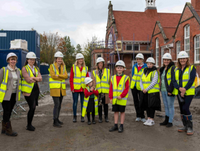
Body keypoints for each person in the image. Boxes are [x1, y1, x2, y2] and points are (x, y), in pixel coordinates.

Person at [172, 51, 196, 136]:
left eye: (184, 58)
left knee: (186, 108)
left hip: (189, 92)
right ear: (179, 59)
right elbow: (174, 81)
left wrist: (184, 89)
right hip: (179, 92)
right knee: (182, 109)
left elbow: (191, 80)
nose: (182, 60)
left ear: (187, 59)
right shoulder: (176, 69)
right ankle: (185, 126)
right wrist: (179, 89)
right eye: (181, 58)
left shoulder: (192, 68)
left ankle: (190, 126)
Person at [0, 53, 21, 136]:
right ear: (8, 60)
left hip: (14, 94)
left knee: (8, 111)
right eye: (11, 59)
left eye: (14, 59)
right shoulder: (3, 70)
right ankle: (9, 130)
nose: (13, 61)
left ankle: (4, 128)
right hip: (5, 95)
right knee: (7, 111)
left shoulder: (18, 71)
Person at [22, 52, 42, 131]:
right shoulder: (24, 68)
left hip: (36, 90)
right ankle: (28, 125)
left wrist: (33, 78)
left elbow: (40, 79)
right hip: (28, 91)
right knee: (32, 107)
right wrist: (36, 78)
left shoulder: (36, 68)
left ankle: (30, 124)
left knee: (33, 108)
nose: (32, 61)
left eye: (33, 59)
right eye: (30, 59)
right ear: (27, 60)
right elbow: (28, 80)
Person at [109, 60, 130, 133]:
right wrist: (110, 97)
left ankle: (121, 125)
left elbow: (126, 89)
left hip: (122, 99)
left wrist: (121, 95)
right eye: (118, 67)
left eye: (121, 67)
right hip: (115, 99)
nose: (119, 69)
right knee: (115, 112)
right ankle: (115, 125)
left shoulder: (126, 78)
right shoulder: (113, 77)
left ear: (123, 68)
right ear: (116, 68)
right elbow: (111, 88)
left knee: (122, 112)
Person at [140, 57, 161, 126]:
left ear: (153, 64)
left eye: (151, 64)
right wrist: (142, 88)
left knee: (152, 106)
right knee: (147, 106)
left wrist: (146, 89)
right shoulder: (144, 71)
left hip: (153, 92)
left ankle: (151, 120)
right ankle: (148, 119)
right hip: (146, 92)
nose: (149, 65)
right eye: (148, 64)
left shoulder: (155, 72)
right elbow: (141, 81)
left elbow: (154, 82)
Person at [49, 51, 68, 128]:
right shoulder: (52, 66)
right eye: (58, 59)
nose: (60, 60)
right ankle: (54, 121)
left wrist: (59, 75)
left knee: (59, 105)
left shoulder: (63, 66)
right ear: (56, 59)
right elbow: (53, 76)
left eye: (61, 59)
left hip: (61, 89)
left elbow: (66, 76)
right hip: (55, 89)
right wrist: (61, 76)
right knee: (56, 104)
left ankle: (57, 119)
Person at [70, 53, 89, 123]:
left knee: (83, 103)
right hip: (75, 89)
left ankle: (82, 116)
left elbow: (87, 79)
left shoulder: (85, 68)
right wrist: (72, 88)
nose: (80, 60)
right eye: (79, 59)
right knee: (75, 103)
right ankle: (74, 117)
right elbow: (71, 79)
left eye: (81, 59)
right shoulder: (73, 67)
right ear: (77, 60)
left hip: (83, 89)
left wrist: (87, 88)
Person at [159, 53, 176, 127]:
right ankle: (166, 119)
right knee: (165, 105)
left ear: (170, 60)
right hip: (163, 90)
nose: (166, 61)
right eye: (165, 60)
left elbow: (173, 80)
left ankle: (170, 121)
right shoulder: (163, 69)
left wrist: (170, 90)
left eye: (167, 60)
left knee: (170, 105)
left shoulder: (172, 68)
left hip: (169, 90)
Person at [92, 57, 110, 123]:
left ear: (103, 63)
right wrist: (93, 88)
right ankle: (100, 118)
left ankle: (106, 117)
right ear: (97, 64)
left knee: (106, 105)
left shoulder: (107, 71)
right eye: (99, 63)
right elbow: (93, 82)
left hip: (105, 91)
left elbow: (110, 81)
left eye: (101, 63)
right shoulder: (94, 72)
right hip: (98, 92)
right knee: (99, 105)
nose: (100, 64)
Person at [130, 53, 147, 122]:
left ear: (142, 59)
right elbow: (133, 75)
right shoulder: (134, 66)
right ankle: (138, 115)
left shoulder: (145, 67)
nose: (138, 60)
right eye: (137, 59)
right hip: (134, 86)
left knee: (142, 102)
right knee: (136, 101)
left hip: (141, 87)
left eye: (140, 59)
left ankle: (142, 116)